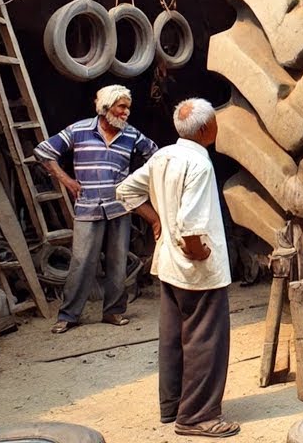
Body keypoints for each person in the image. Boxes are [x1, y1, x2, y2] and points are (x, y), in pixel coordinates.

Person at [117, 98, 239, 437]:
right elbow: (191, 226)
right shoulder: (200, 165)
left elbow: (126, 190)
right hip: (195, 271)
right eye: (214, 122)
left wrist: (156, 220)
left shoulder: (163, 156)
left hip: (168, 265)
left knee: (173, 339)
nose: (217, 126)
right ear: (204, 130)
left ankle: (172, 407)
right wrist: (197, 253)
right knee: (205, 342)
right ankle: (197, 417)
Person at [35, 84, 158, 334]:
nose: (126, 113)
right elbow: (43, 152)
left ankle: (113, 311)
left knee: (117, 261)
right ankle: (68, 315)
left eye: (128, 108)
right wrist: (66, 179)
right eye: (121, 107)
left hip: (119, 207)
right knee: (81, 262)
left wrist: (138, 185)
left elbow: (156, 157)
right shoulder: (79, 130)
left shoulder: (132, 135)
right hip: (88, 207)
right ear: (105, 108)